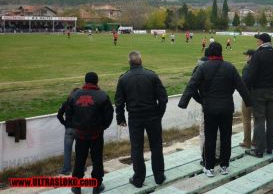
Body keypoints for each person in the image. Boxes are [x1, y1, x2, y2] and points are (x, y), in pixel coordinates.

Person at [179, 42, 252, 177]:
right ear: (221, 52)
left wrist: (183, 103)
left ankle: (209, 167)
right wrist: (249, 102)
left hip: (210, 109)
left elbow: (191, 85)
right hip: (226, 108)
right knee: (225, 138)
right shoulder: (230, 67)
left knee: (210, 138)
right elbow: (241, 86)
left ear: (209, 53)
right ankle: (224, 166)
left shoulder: (203, 67)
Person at [115, 51, 168, 188]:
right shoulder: (151, 75)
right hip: (150, 116)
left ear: (129, 62)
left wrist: (120, 118)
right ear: (141, 61)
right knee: (156, 146)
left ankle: (139, 179)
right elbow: (163, 98)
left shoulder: (124, 78)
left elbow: (119, 102)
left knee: (137, 148)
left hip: (137, 117)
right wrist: (158, 114)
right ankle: (159, 176)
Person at [66, 72, 114, 194]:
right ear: (97, 82)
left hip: (81, 134)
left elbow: (68, 114)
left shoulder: (75, 95)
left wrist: (75, 127)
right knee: (97, 160)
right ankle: (96, 186)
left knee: (79, 159)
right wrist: (102, 127)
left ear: (85, 81)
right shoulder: (102, 95)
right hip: (96, 134)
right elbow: (108, 115)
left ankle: (76, 186)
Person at [243, 33, 273, 156]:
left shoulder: (258, 54)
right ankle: (269, 147)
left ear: (261, 42)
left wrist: (246, 89)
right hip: (272, 90)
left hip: (259, 91)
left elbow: (251, 74)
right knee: (270, 120)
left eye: (257, 41)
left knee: (259, 120)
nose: (257, 44)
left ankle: (259, 149)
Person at [57, 88, 79, 175]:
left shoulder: (65, 103)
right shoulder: (81, 104)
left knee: (67, 150)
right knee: (80, 150)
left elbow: (59, 115)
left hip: (69, 129)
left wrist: (65, 124)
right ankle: (81, 167)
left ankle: (66, 169)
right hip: (79, 129)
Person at [239, 49, 256, 149]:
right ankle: (255, 141)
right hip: (258, 95)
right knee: (257, 119)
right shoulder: (260, 66)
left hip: (248, 96)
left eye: (247, 55)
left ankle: (247, 142)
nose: (246, 57)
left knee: (246, 119)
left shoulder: (247, 67)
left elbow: (244, 83)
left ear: (250, 57)